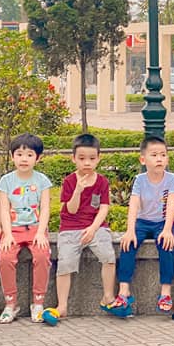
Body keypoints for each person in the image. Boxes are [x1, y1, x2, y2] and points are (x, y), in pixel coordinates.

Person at [110, 136, 174, 316]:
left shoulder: (171, 179)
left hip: (163, 222)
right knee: (128, 244)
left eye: (163, 155)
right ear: (143, 159)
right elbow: (133, 205)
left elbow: (171, 204)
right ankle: (124, 290)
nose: (159, 159)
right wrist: (130, 230)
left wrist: (167, 229)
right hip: (142, 221)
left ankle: (165, 292)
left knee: (166, 245)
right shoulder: (140, 180)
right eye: (154, 155)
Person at [55, 133, 117, 320]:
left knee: (108, 256)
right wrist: (78, 191)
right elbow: (71, 210)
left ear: (98, 158)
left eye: (91, 158)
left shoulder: (102, 181)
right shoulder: (69, 181)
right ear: (73, 158)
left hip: (96, 226)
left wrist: (93, 229)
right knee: (65, 263)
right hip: (70, 227)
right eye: (82, 158)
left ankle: (108, 296)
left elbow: (104, 208)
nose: (87, 163)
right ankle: (62, 305)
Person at [0, 133, 53, 324]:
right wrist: (7, 234)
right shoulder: (6, 181)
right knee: (5, 258)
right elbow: (4, 209)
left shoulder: (42, 181)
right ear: (12, 156)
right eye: (19, 154)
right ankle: (10, 303)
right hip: (13, 229)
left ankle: (38, 302)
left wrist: (41, 232)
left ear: (38, 158)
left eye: (29, 155)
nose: (24, 159)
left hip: (35, 228)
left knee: (42, 256)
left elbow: (45, 208)